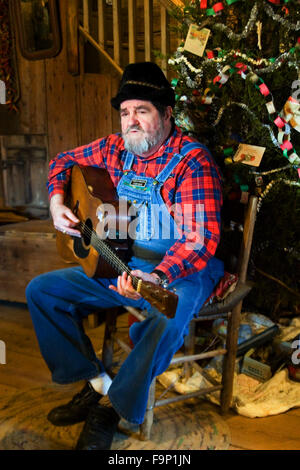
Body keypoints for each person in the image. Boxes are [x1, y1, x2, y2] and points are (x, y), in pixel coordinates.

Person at [26, 62, 224, 450]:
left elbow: (200, 241)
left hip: (182, 270)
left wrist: (159, 277)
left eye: (142, 110)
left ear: (167, 114)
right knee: (42, 291)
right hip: (123, 262)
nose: (131, 120)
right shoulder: (117, 148)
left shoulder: (191, 162)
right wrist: (55, 203)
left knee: (167, 316)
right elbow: (61, 161)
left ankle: (112, 409)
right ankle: (96, 382)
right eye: (125, 112)